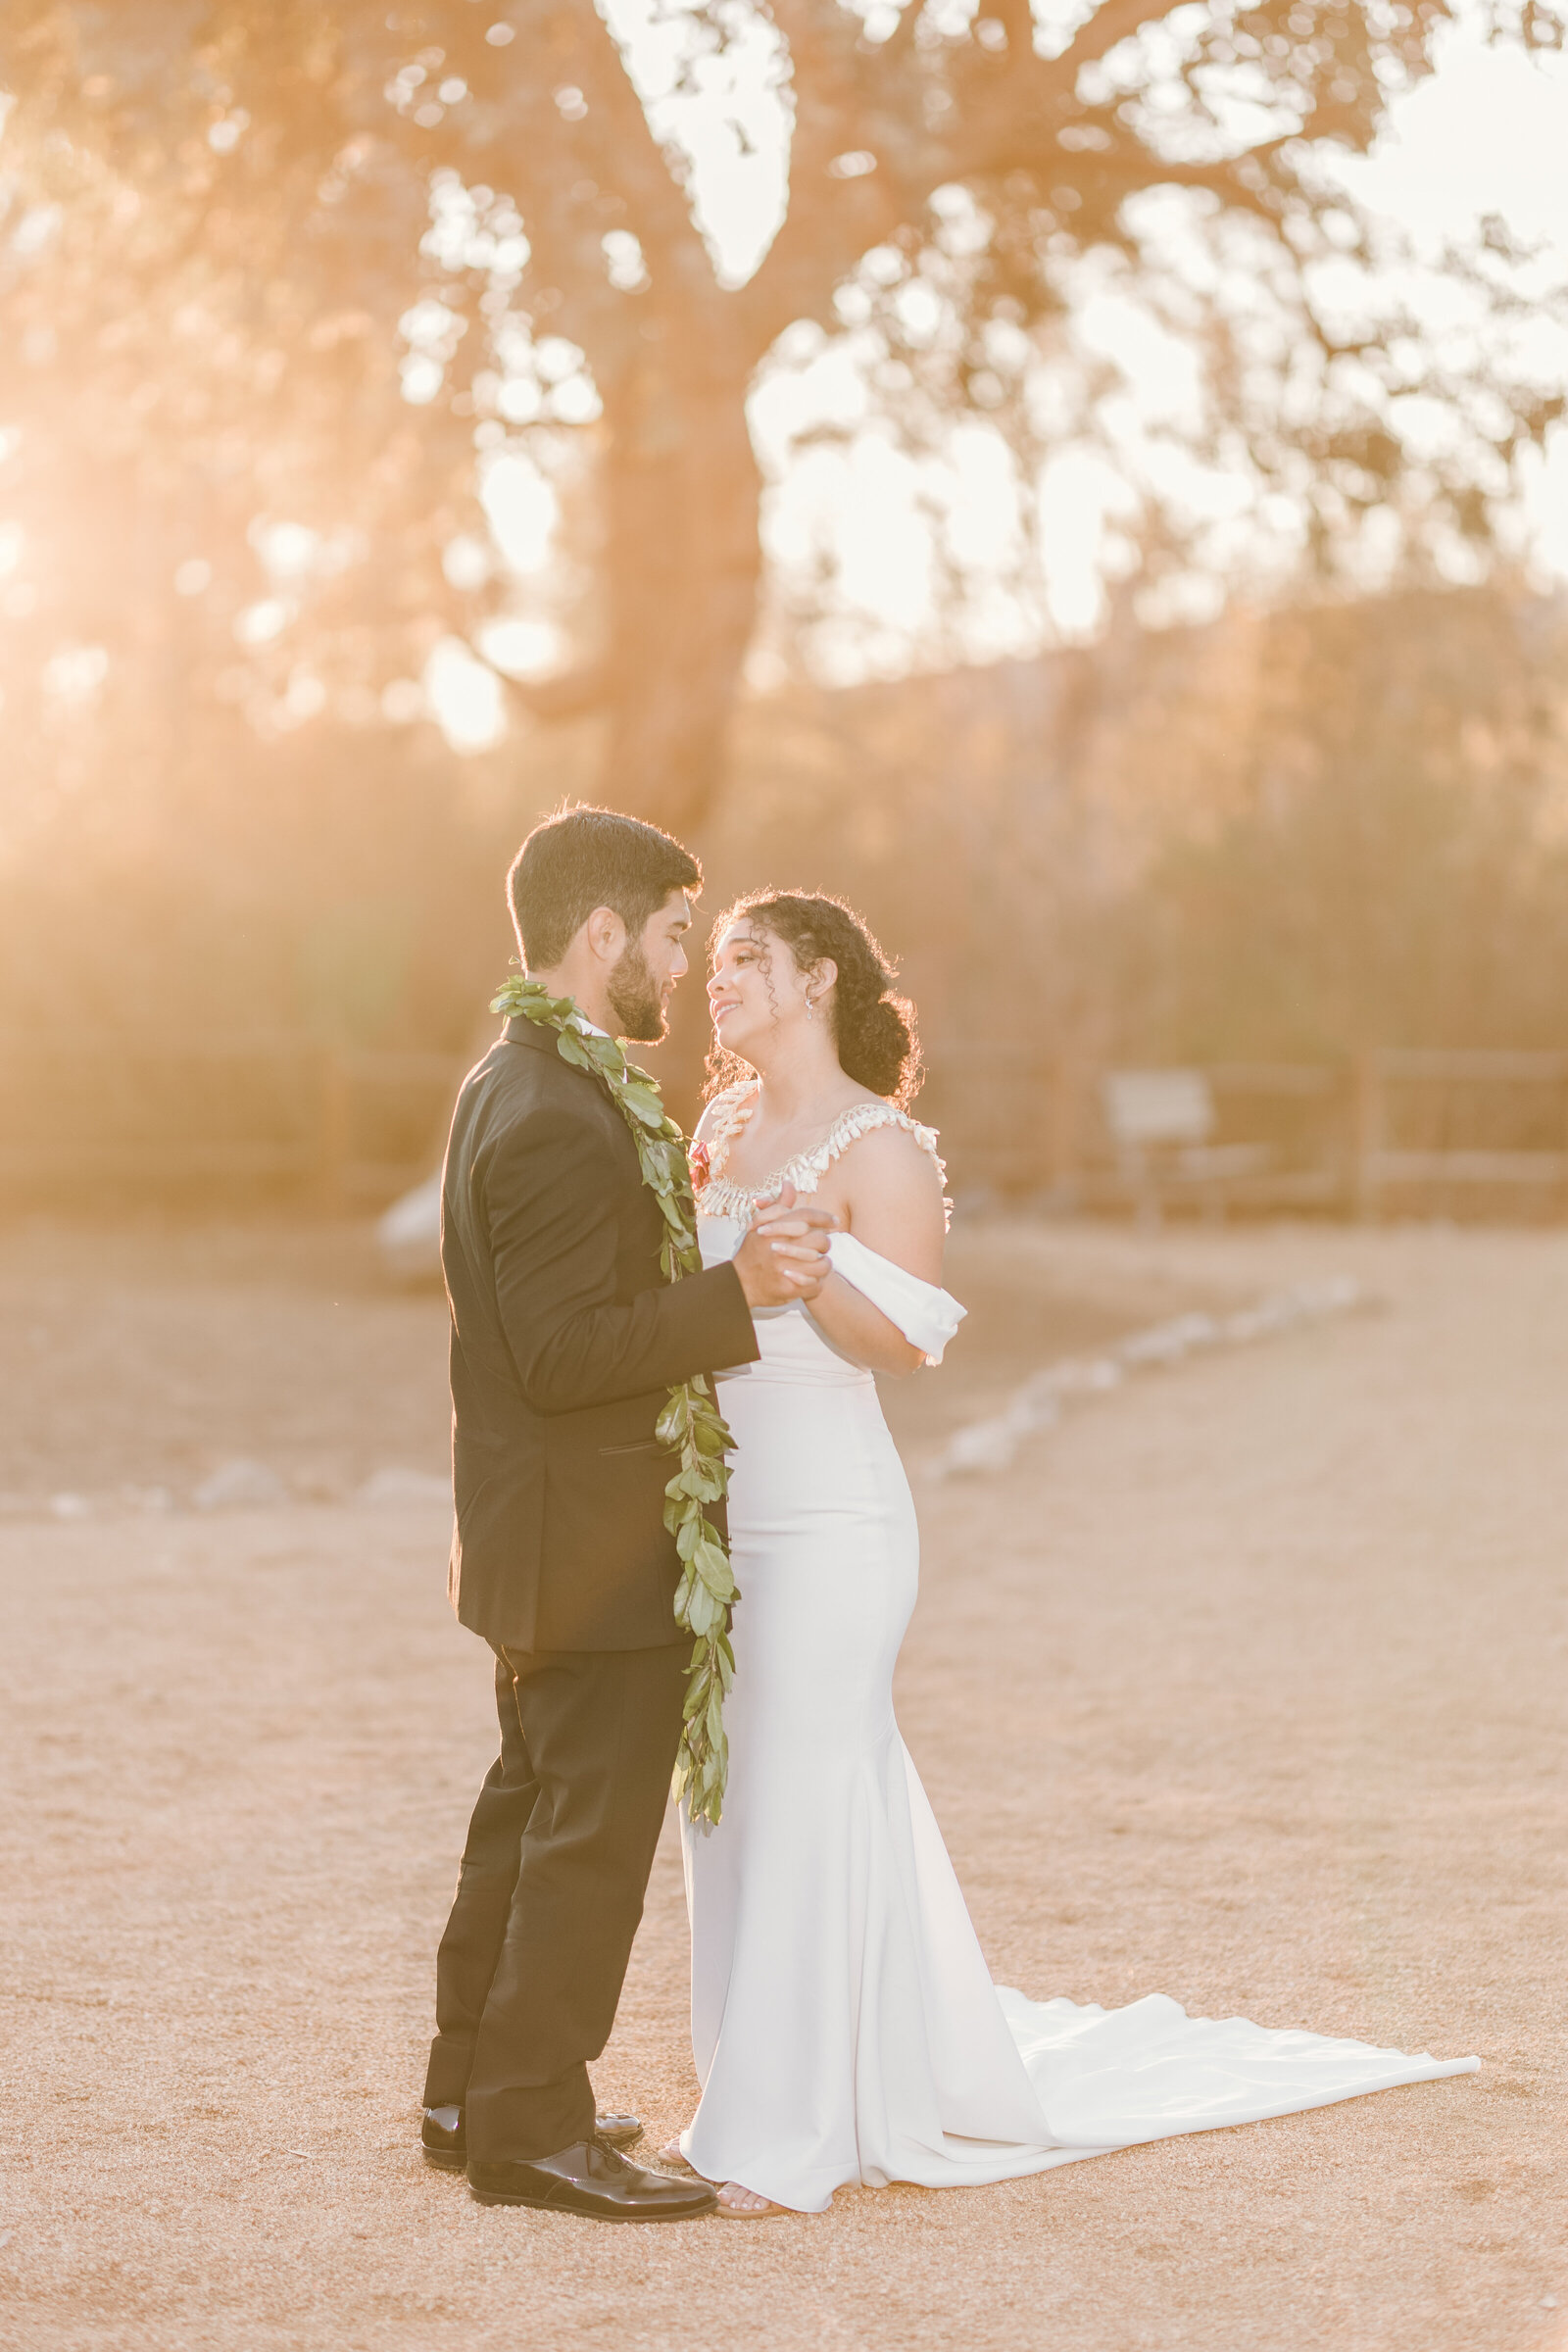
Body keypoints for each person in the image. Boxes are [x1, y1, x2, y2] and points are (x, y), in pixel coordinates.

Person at [662, 889, 1480, 2218]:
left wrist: (813, 1276)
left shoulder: (885, 1150)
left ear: (816, 977)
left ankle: (784, 2129)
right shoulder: (718, 1128)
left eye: (745, 959)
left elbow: (911, 1341)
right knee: (734, 1799)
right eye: (716, 965)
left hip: (831, 1519)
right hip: (721, 1515)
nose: (720, 981)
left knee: (810, 1781)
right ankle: (772, 2080)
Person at [419, 809, 835, 2221]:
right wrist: (742, 1301)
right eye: (668, 936)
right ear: (603, 936)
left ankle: (467, 2093)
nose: (678, 965)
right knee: (587, 1837)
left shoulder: (517, 1079)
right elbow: (562, 1351)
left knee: (528, 1812)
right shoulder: (550, 1115)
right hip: (588, 1538)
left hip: (541, 1529)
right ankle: (534, 2133)